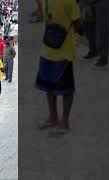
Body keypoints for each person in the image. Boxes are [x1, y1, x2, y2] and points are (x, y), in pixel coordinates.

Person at [35, 0, 81, 137]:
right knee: (48, 87)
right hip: (47, 50)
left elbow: (78, 24)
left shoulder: (70, 2)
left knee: (66, 90)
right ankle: (53, 117)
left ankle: (64, 122)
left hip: (64, 53)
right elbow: (42, 17)